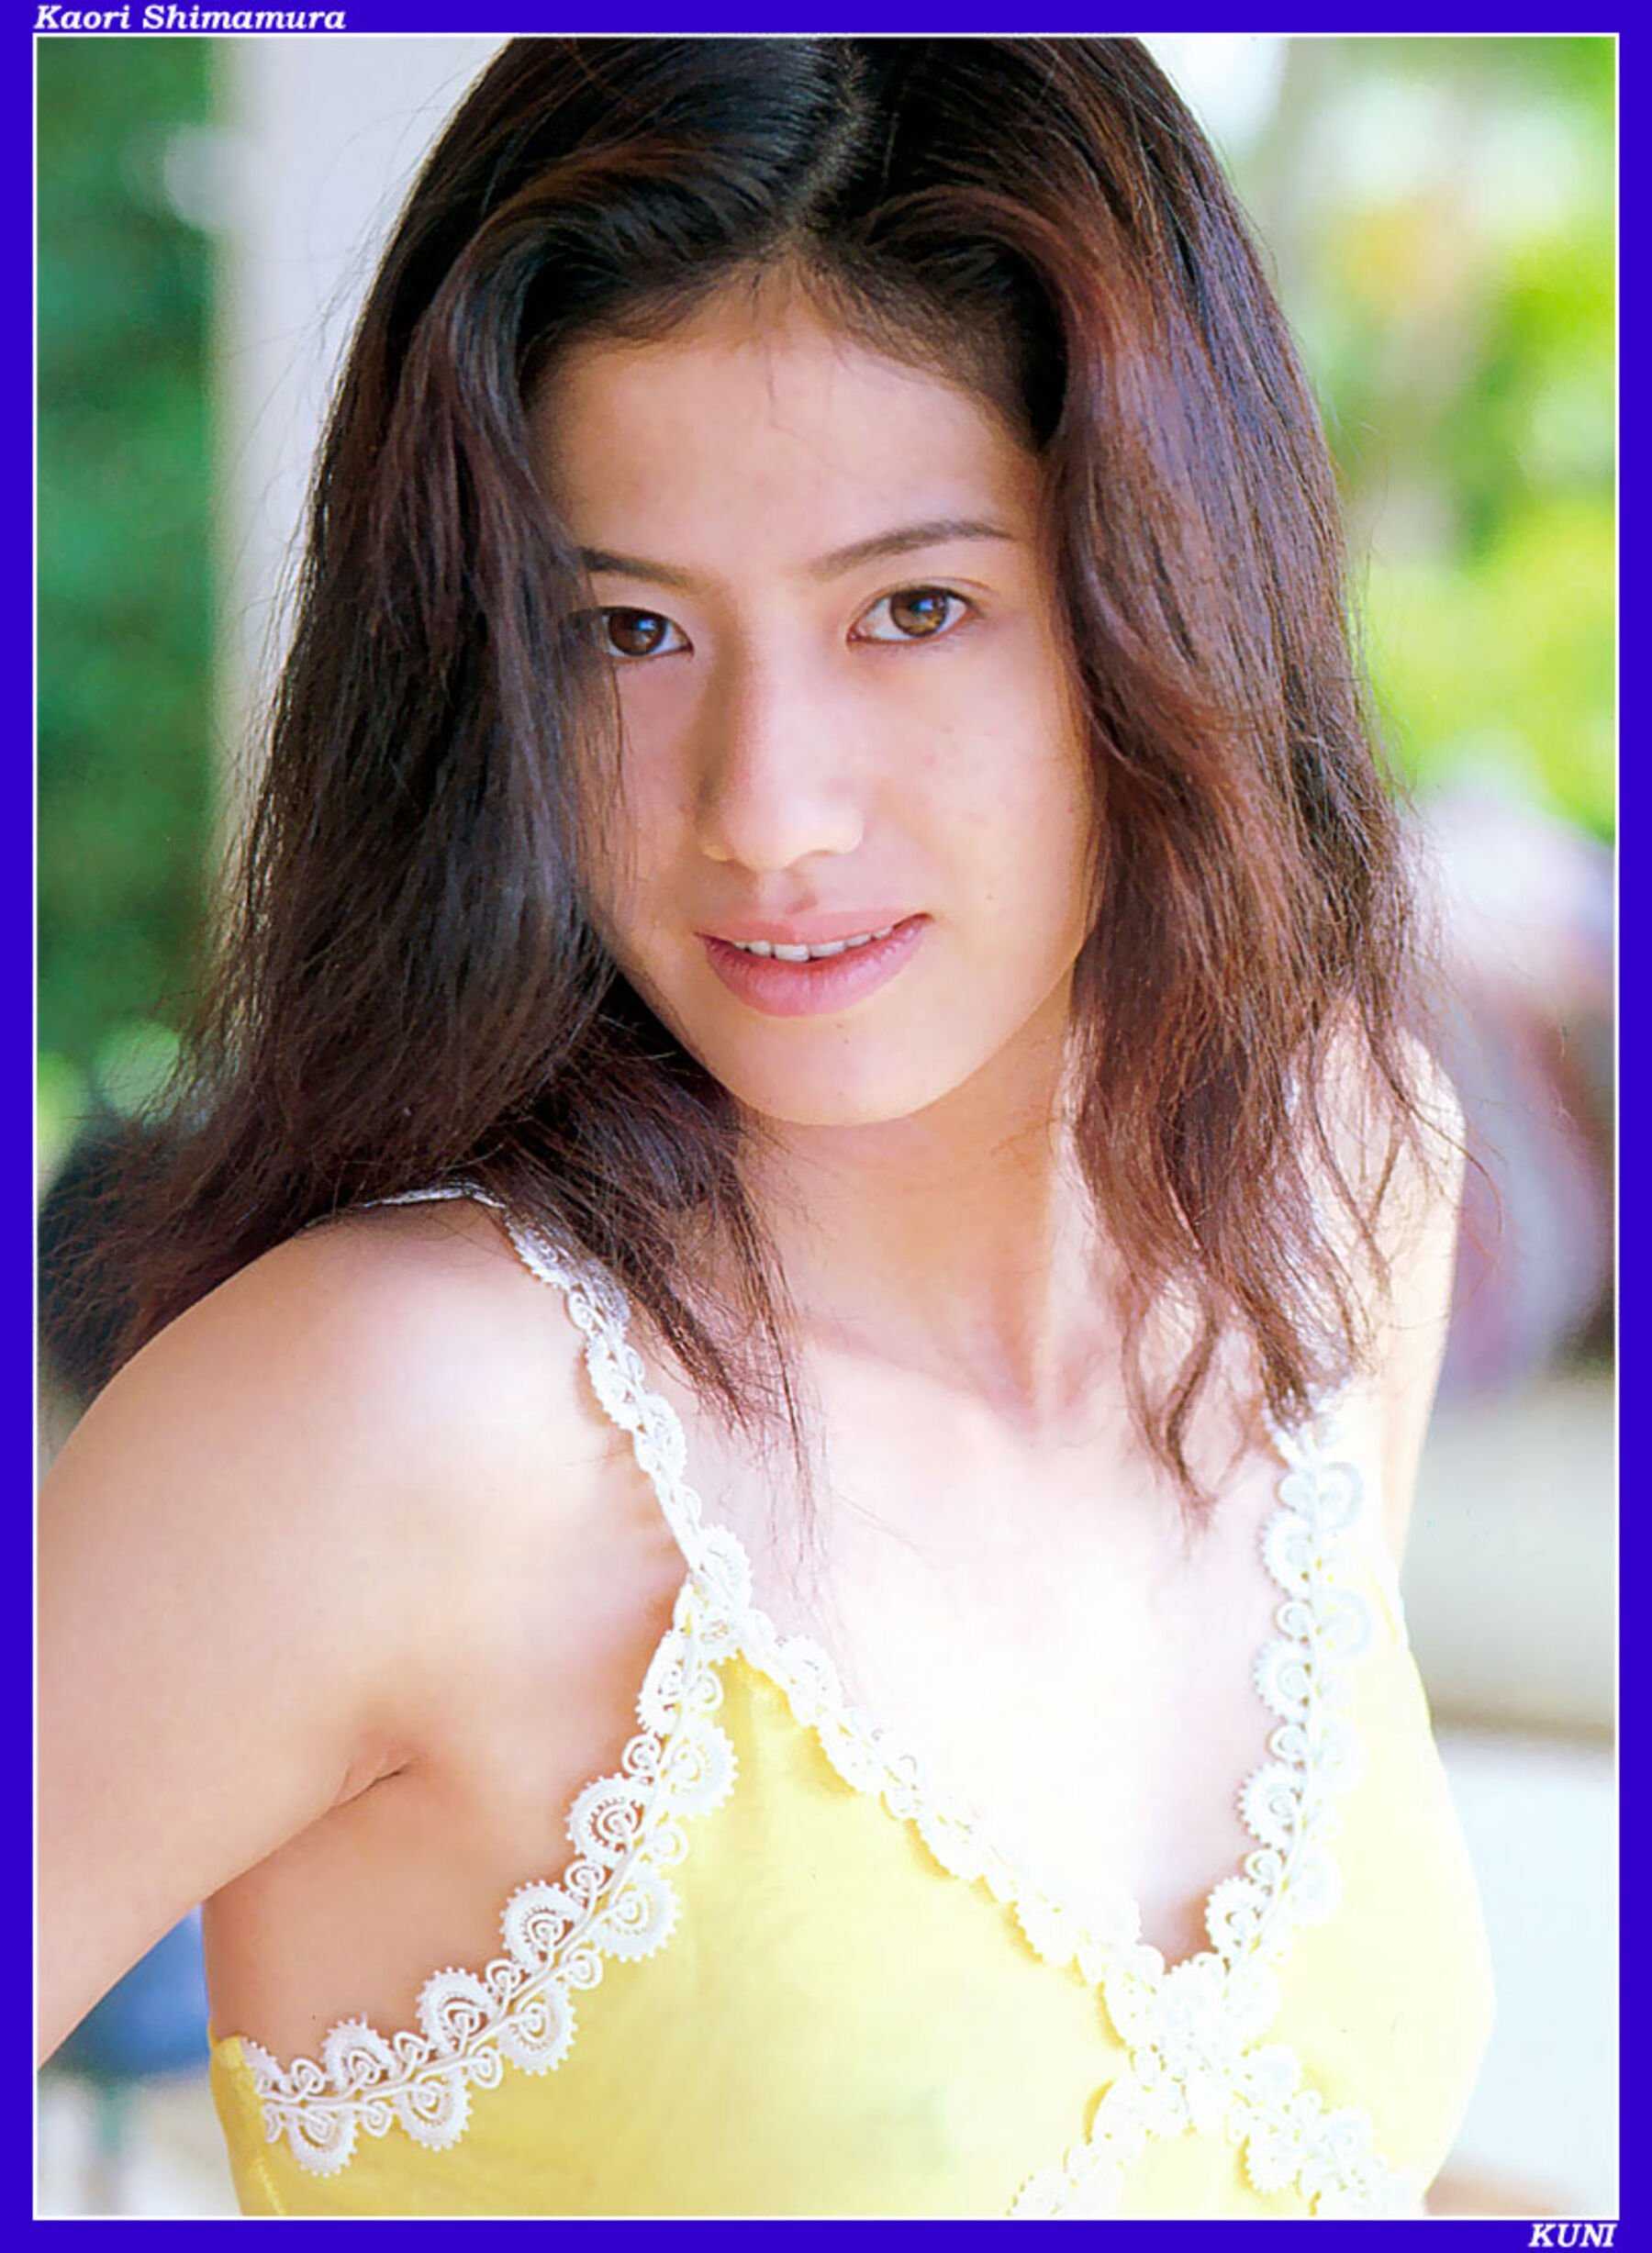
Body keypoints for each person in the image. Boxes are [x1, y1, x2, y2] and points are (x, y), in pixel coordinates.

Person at [38, 36, 1494, 2218]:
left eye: (915, 608)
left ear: (1174, 595)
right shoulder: (384, 1420)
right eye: (628, 629)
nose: (766, 810)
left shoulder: (1341, 1184)